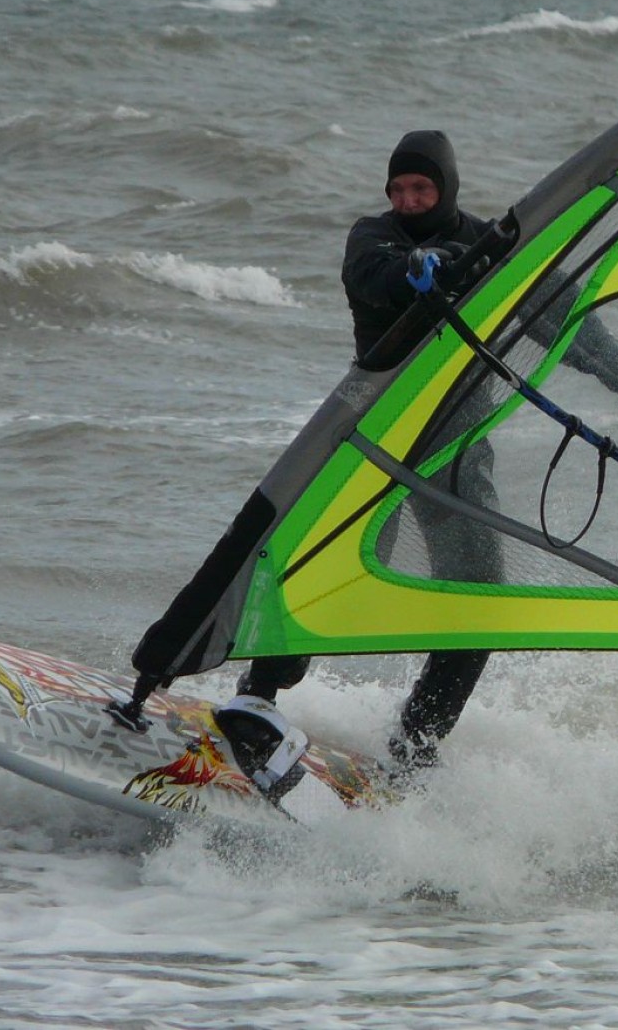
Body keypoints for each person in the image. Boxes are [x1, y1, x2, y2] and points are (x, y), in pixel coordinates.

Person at [217, 131, 497, 788]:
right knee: (324, 567)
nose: (407, 200)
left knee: (477, 603)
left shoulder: (487, 247)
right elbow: (375, 275)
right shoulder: (373, 238)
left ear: (447, 189)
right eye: (398, 189)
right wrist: (421, 269)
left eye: (422, 189)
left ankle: (415, 748)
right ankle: (259, 697)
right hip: (376, 439)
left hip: (456, 451)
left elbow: (555, 308)